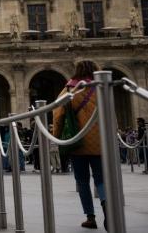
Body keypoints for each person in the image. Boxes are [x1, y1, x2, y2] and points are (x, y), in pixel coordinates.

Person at [52, 60, 106, 230]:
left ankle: (90, 217)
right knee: (101, 179)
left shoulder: (70, 89)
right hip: (100, 141)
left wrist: (57, 137)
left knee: (82, 181)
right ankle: (106, 205)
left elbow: (58, 114)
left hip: (78, 142)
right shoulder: (102, 88)